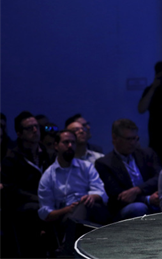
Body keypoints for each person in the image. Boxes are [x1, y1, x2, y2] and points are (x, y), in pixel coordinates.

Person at [38, 129, 109, 255]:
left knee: (84, 205)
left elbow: (101, 191)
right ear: (56, 145)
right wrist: (66, 209)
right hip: (66, 216)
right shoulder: (48, 176)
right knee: (76, 213)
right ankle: (69, 247)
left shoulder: (86, 167)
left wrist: (92, 197)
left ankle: (66, 248)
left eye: (73, 142)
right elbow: (45, 212)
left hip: (93, 209)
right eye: (66, 142)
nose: (70, 146)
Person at [0, 111, 53, 258]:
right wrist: (38, 198)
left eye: (36, 126)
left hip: (48, 200)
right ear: (19, 133)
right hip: (24, 204)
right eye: (29, 128)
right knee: (37, 210)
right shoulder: (11, 159)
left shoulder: (48, 154)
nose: (35, 130)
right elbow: (12, 190)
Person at [95, 119, 162, 220]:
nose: (133, 143)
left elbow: (159, 176)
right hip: (124, 208)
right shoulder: (104, 163)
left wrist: (138, 189)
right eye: (128, 139)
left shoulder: (147, 154)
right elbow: (118, 196)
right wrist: (147, 199)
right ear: (114, 138)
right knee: (139, 208)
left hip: (154, 198)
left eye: (135, 138)